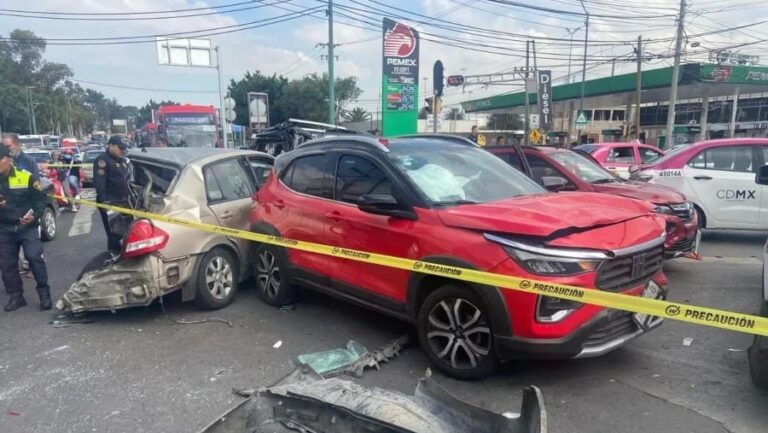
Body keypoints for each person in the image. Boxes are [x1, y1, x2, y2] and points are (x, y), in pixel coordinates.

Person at [0, 145, 51, 311]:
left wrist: (34, 216)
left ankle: (44, 293)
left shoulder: (25, 176)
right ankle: (16, 296)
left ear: (9, 159)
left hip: (26, 226)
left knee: (34, 257)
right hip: (4, 227)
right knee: (7, 263)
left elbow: (40, 201)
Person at [93, 136, 131, 252]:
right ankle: (113, 255)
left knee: (126, 231)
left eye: (123, 148)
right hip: (110, 201)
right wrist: (106, 204)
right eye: (120, 148)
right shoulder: (102, 160)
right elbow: (100, 184)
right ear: (111, 146)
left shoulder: (120, 160)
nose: (122, 151)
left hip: (123, 201)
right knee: (114, 233)